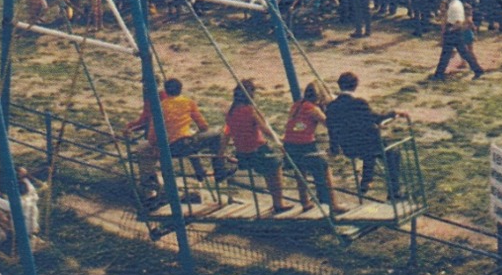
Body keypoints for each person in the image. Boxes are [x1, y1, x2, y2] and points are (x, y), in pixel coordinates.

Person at [325, 72, 407, 201]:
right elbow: (377, 118)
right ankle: (394, 191)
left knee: (369, 145)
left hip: (348, 147)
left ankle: (366, 181)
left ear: (339, 85)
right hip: (367, 146)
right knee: (392, 152)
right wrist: (394, 113)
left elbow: (331, 128)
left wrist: (334, 148)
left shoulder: (331, 107)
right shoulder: (359, 103)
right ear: (355, 85)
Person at [123, 77, 212, 194]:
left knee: (144, 151)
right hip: (182, 135)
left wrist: (131, 127)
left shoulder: (156, 100)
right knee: (188, 140)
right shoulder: (181, 100)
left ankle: (150, 185)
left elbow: (147, 118)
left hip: (165, 138)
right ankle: (199, 171)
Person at [224, 81, 288, 215]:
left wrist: (221, 152)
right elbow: (265, 129)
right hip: (257, 150)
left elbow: (227, 133)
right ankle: (279, 203)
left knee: (268, 169)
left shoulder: (231, 112)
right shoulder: (250, 110)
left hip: (242, 152)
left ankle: (276, 200)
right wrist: (279, 140)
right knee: (275, 166)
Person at [282, 83, 345, 212]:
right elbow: (329, 124)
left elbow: (298, 125)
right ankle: (333, 204)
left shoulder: (297, 105)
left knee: (300, 171)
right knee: (324, 167)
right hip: (303, 146)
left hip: (289, 144)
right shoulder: (313, 109)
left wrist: (307, 130)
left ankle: (304, 201)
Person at [433, 0, 485, 81]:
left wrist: (450, 30)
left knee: (447, 53)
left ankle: (439, 74)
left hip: (453, 30)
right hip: (455, 31)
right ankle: (477, 69)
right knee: (463, 53)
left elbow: (458, 22)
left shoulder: (454, 5)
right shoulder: (456, 3)